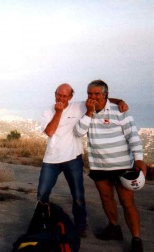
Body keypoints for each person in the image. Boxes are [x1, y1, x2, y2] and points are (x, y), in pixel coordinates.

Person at [37, 83, 128, 238]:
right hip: (51, 158)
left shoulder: (78, 106)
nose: (61, 98)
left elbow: (98, 100)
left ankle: (81, 226)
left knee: (78, 195)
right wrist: (58, 112)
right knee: (42, 193)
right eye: (58, 94)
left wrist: (119, 101)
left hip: (73, 158)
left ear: (70, 97)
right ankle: (41, 222)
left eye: (65, 96)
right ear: (55, 94)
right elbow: (50, 131)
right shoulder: (48, 111)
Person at [74, 80, 146, 252]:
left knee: (127, 202)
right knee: (106, 199)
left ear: (105, 94)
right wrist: (89, 113)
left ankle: (136, 239)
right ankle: (114, 228)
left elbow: (133, 137)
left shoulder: (120, 111)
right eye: (90, 93)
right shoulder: (86, 112)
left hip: (122, 166)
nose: (92, 97)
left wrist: (139, 159)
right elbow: (78, 132)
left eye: (97, 94)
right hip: (99, 166)